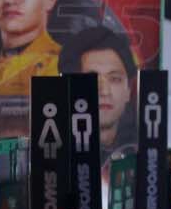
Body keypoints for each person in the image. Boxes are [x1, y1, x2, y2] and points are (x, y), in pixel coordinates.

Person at [55, 26, 138, 155]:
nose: (104, 91)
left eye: (115, 79)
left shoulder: (142, 149)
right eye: (91, 79)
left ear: (128, 90)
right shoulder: (54, 149)